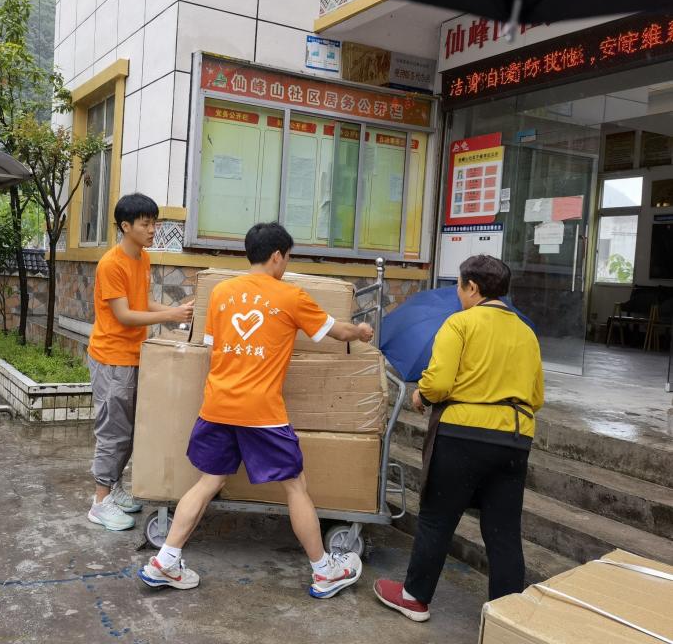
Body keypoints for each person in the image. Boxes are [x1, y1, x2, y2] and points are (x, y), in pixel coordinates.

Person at [138, 222, 374, 597]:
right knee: (295, 486)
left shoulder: (221, 293)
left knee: (208, 482)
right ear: (277, 256)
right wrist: (361, 331)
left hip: (217, 406)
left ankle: (165, 561)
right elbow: (339, 333)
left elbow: (213, 346)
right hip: (262, 412)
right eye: (288, 257)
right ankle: (324, 571)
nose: (287, 264)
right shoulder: (290, 296)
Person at [374, 254, 544, 621]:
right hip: (515, 438)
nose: (458, 293)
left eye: (460, 287)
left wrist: (421, 396)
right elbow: (537, 397)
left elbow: (438, 383)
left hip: (462, 435)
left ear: (473, 288)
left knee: (437, 518)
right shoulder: (527, 333)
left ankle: (415, 598)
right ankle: (507, 618)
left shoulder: (460, 323)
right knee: (503, 532)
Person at [86, 193, 194, 531]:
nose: (152, 230)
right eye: (146, 224)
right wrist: (171, 315)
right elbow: (124, 315)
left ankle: (114, 488)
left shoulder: (142, 258)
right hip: (111, 358)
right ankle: (99, 502)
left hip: (133, 356)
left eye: (154, 223)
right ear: (125, 226)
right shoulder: (111, 264)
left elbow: (142, 302)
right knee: (113, 432)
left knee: (131, 431)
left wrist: (177, 311)